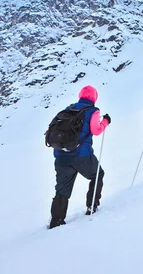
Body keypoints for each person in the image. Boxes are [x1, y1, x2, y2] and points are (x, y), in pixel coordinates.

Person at [49, 85, 111, 229]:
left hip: (60, 155)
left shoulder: (67, 110)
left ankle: (56, 221)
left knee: (62, 189)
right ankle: (92, 207)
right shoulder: (93, 111)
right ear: (94, 98)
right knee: (97, 175)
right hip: (82, 155)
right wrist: (105, 122)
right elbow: (96, 130)